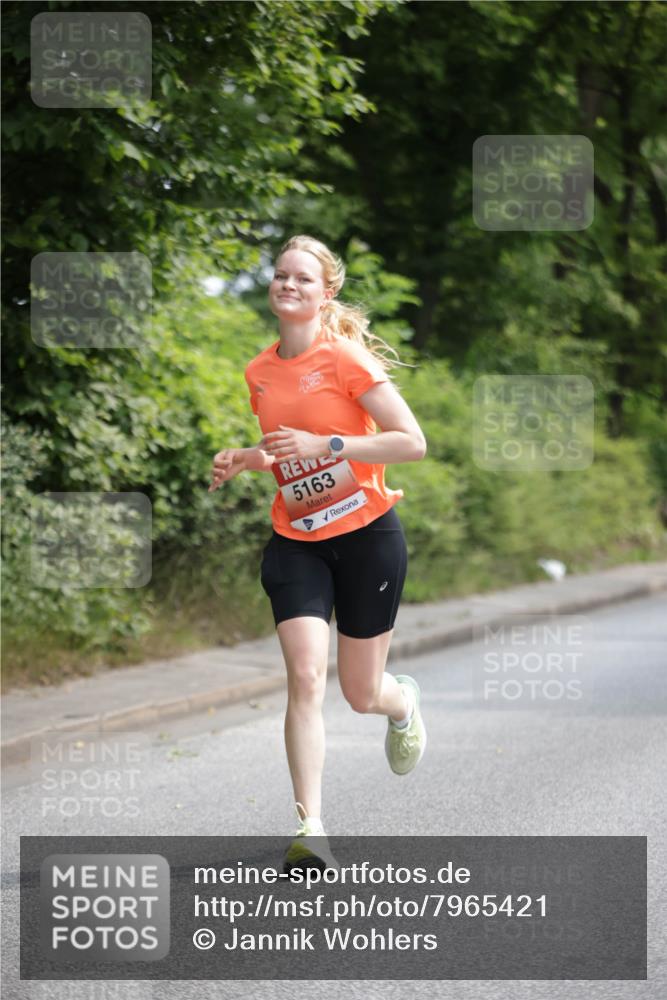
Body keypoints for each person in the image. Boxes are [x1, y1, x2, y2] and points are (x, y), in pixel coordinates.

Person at [209, 235, 427, 872]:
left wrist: (328, 444)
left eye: (303, 278)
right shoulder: (258, 370)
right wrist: (250, 458)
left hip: (367, 539)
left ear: (324, 292)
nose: (288, 285)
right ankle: (311, 826)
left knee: (361, 693)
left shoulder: (347, 359)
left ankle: (402, 703)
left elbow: (410, 442)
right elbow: (285, 448)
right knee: (305, 676)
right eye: (280, 276)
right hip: (297, 541)